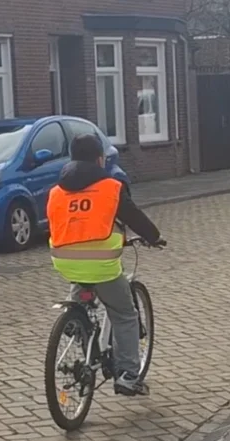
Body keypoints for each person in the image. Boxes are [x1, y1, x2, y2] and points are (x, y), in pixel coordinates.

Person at [46, 133, 164, 396]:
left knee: (82, 291)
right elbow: (133, 217)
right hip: (102, 263)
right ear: (100, 159)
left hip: (64, 261)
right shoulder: (111, 187)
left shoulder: (56, 191)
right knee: (124, 314)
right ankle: (127, 375)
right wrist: (154, 237)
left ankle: (76, 324)